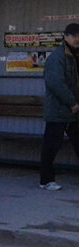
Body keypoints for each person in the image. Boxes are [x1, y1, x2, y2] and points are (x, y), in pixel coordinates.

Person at [40, 22, 79, 191]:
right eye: (73, 35)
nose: (77, 39)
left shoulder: (75, 55)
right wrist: (73, 103)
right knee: (51, 146)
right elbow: (55, 83)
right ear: (66, 37)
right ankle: (46, 180)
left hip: (73, 111)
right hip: (59, 110)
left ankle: (47, 179)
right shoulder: (58, 57)